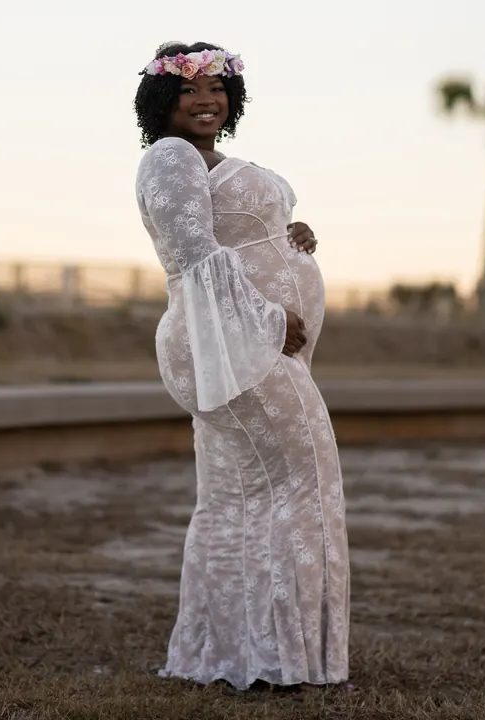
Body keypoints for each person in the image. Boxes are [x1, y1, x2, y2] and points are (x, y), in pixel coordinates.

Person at [134, 41, 349, 692]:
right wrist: (266, 319)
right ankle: (282, 659)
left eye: (216, 88)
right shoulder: (170, 157)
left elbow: (231, 233)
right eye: (189, 91)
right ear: (162, 102)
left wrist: (288, 232)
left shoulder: (208, 161)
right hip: (233, 341)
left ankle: (228, 654)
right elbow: (192, 256)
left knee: (235, 498)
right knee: (303, 481)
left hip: (246, 342)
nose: (206, 100)